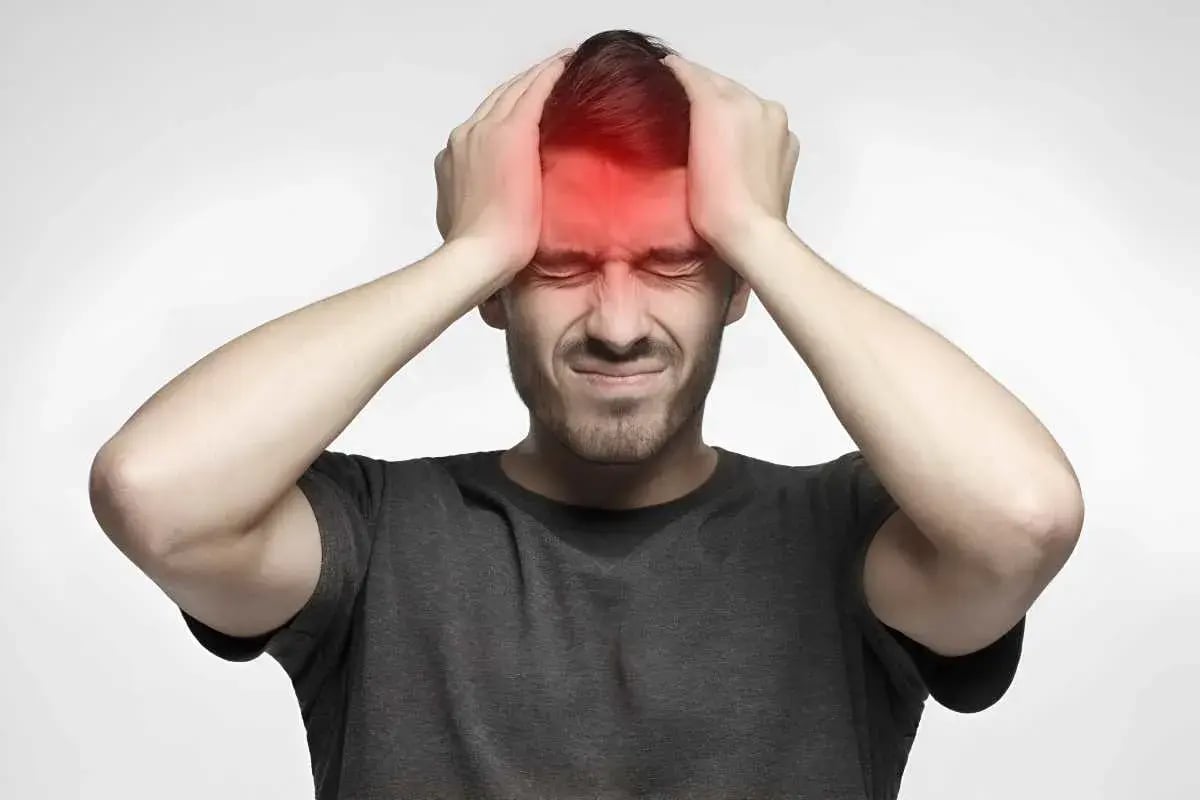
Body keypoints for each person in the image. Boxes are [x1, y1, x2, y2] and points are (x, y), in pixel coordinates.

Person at [89, 29, 1082, 800]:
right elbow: (154, 492)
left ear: (737, 284)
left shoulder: (855, 536)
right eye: (559, 265)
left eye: (672, 263)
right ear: (498, 287)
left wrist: (757, 231)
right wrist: (472, 249)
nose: (617, 325)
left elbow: (1025, 518)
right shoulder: (375, 538)